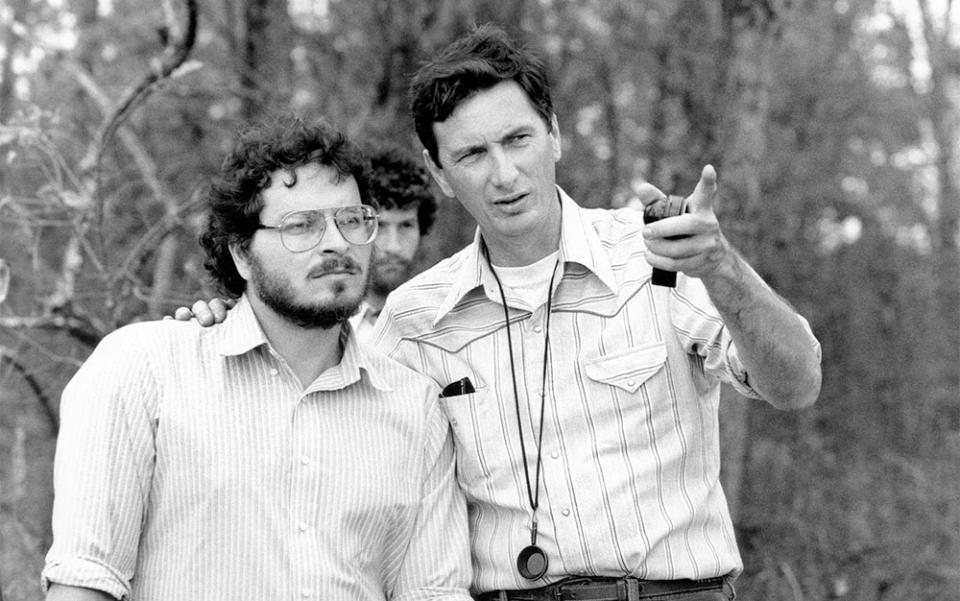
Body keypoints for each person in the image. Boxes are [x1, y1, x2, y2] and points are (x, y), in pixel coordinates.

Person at [182, 25, 822, 601]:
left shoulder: (664, 258)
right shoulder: (413, 320)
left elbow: (797, 385)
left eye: (518, 139)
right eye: (471, 155)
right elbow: (332, 435)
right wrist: (231, 326)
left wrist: (725, 270)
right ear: (438, 172)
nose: (504, 174)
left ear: (555, 136)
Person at [41, 115, 471, 601]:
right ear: (242, 254)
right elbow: (84, 582)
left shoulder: (416, 410)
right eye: (300, 225)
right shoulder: (143, 371)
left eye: (351, 220)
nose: (335, 242)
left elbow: (434, 593)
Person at [351, 143, 438, 340]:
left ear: (421, 228)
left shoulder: (441, 322)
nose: (394, 246)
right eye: (380, 226)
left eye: (406, 226)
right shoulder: (324, 332)